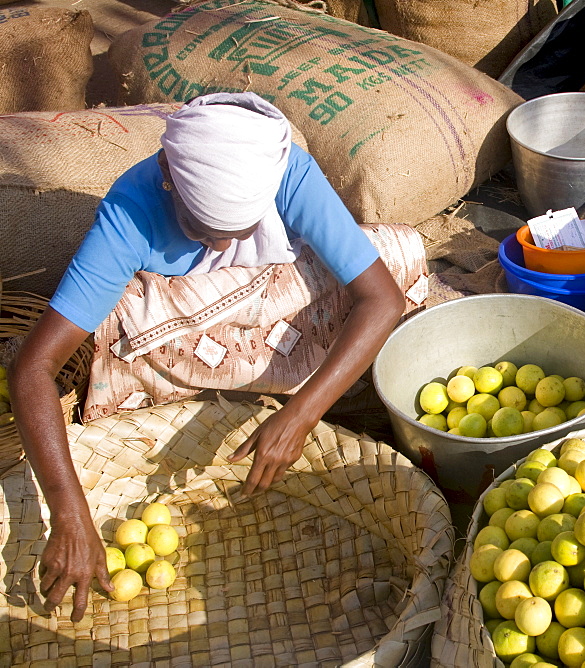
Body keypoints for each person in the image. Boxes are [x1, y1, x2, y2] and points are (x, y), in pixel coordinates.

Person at [8, 92, 406, 622]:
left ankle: (302, 390)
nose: (220, 247)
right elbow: (32, 368)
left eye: (236, 234)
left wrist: (301, 415)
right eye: (202, 229)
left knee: (401, 253)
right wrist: (69, 509)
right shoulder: (129, 211)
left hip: (271, 309)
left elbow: (382, 299)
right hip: (180, 332)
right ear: (169, 175)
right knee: (121, 317)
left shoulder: (284, 170)